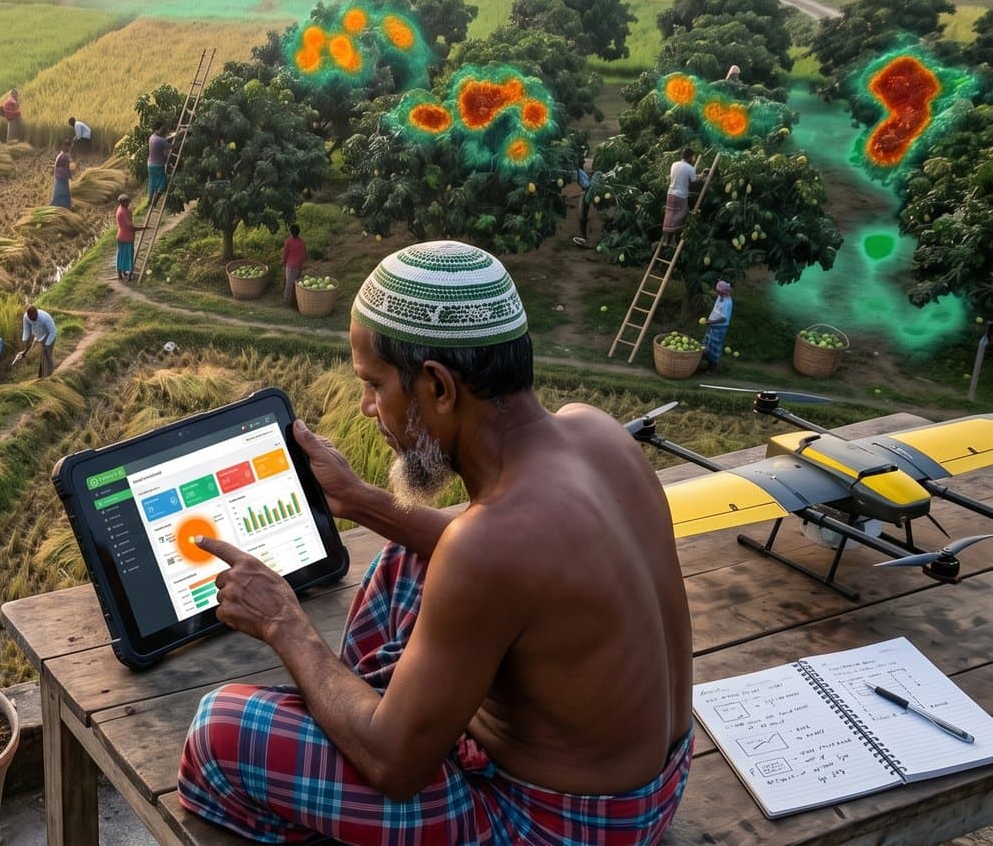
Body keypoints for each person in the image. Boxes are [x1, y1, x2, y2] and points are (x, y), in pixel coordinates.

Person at [177, 240, 692, 844]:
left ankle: (366, 733)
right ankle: (375, 714)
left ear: (439, 388)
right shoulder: (598, 432)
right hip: (653, 786)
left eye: (374, 385)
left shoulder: (490, 547)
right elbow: (515, 558)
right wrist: (359, 499)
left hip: (556, 824)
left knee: (221, 728)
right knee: (406, 558)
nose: (369, 409)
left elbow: (396, 769)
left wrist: (283, 623)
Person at [662, 147, 703, 238]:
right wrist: (701, 177)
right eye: (693, 157)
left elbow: (682, 176)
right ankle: (676, 238)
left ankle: (665, 239)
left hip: (670, 194)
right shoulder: (690, 168)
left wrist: (699, 175)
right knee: (683, 216)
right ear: (689, 157)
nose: (693, 159)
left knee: (669, 215)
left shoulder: (674, 164)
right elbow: (694, 182)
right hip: (681, 196)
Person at [13, 305, 58, 379]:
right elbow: (27, 332)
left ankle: (48, 378)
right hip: (38, 336)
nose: (32, 320)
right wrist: (25, 350)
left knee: (46, 356)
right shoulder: (26, 317)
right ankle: (42, 375)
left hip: (49, 336)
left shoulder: (44, 318)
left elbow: (53, 332)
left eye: (34, 318)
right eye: (30, 318)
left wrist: (46, 345)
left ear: (36, 313)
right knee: (42, 357)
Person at [700, 279, 733, 373]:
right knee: (706, 344)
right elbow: (716, 310)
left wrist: (712, 322)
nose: (717, 292)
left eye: (719, 291)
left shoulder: (728, 303)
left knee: (715, 347)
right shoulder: (720, 297)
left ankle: (711, 368)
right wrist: (710, 320)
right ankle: (705, 365)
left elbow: (724, 318)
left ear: (723, 292)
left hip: (720, 328)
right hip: (712, 325)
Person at [115, 193, 147, 283]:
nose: (128, 202)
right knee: (129, 256)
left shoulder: (122, 209)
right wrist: (144, 228)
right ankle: (129, 276)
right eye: (127, 201)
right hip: (127, 238)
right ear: (122, 202)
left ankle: (121, 274)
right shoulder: (123, 212)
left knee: (121, 255)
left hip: (121, 236)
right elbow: (131, 228)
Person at [572, 156, 596, 247]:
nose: (583, 163)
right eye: (582, 162)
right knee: (583, 215)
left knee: (583, 215)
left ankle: (583, 236)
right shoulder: (579, 172)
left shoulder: (580, 171)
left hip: (585, 193)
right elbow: (585, 184)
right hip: (585, 193)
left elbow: (585, 183)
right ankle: (582, 236)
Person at [281, 224, 307, 307]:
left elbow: (285, 254)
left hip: (290, 266)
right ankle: (295, 302)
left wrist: (284, 263)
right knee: (296, 285)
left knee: (289, 284)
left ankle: (286, 301)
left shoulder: (288, 241)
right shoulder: (302, 242)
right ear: (299, 232)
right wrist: (301, 264)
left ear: (291, 232)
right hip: (298, 266)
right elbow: (304, 255)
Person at [146, 130, 171, 201]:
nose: (162, 130)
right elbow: (170, 146)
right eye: (161, 128)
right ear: (158, 129)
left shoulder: (151, 137)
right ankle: (157, 196)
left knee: (152, 181)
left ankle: (150, 198)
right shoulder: (160, 140)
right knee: (163, 180)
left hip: (150, 164)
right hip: (158, 165)